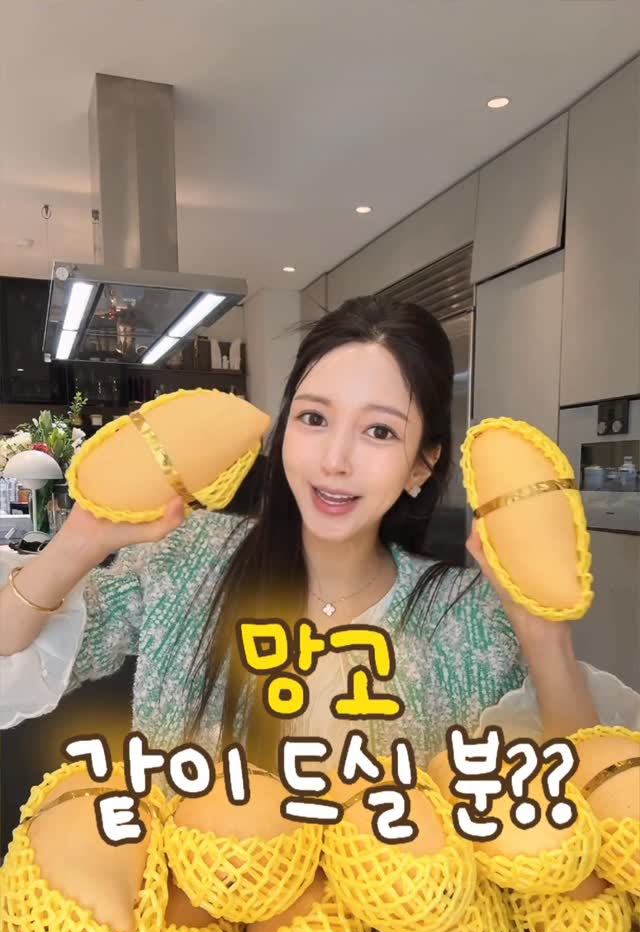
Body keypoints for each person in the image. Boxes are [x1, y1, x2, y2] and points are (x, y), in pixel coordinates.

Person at [1, 295, 632, 780]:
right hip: (188, 913)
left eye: (379, 431)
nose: (334, 460)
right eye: (314, 418)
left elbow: (588, 805)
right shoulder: (186, 560)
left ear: (422, 465)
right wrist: (81, 539)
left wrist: (543, 632)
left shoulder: (467, 619)